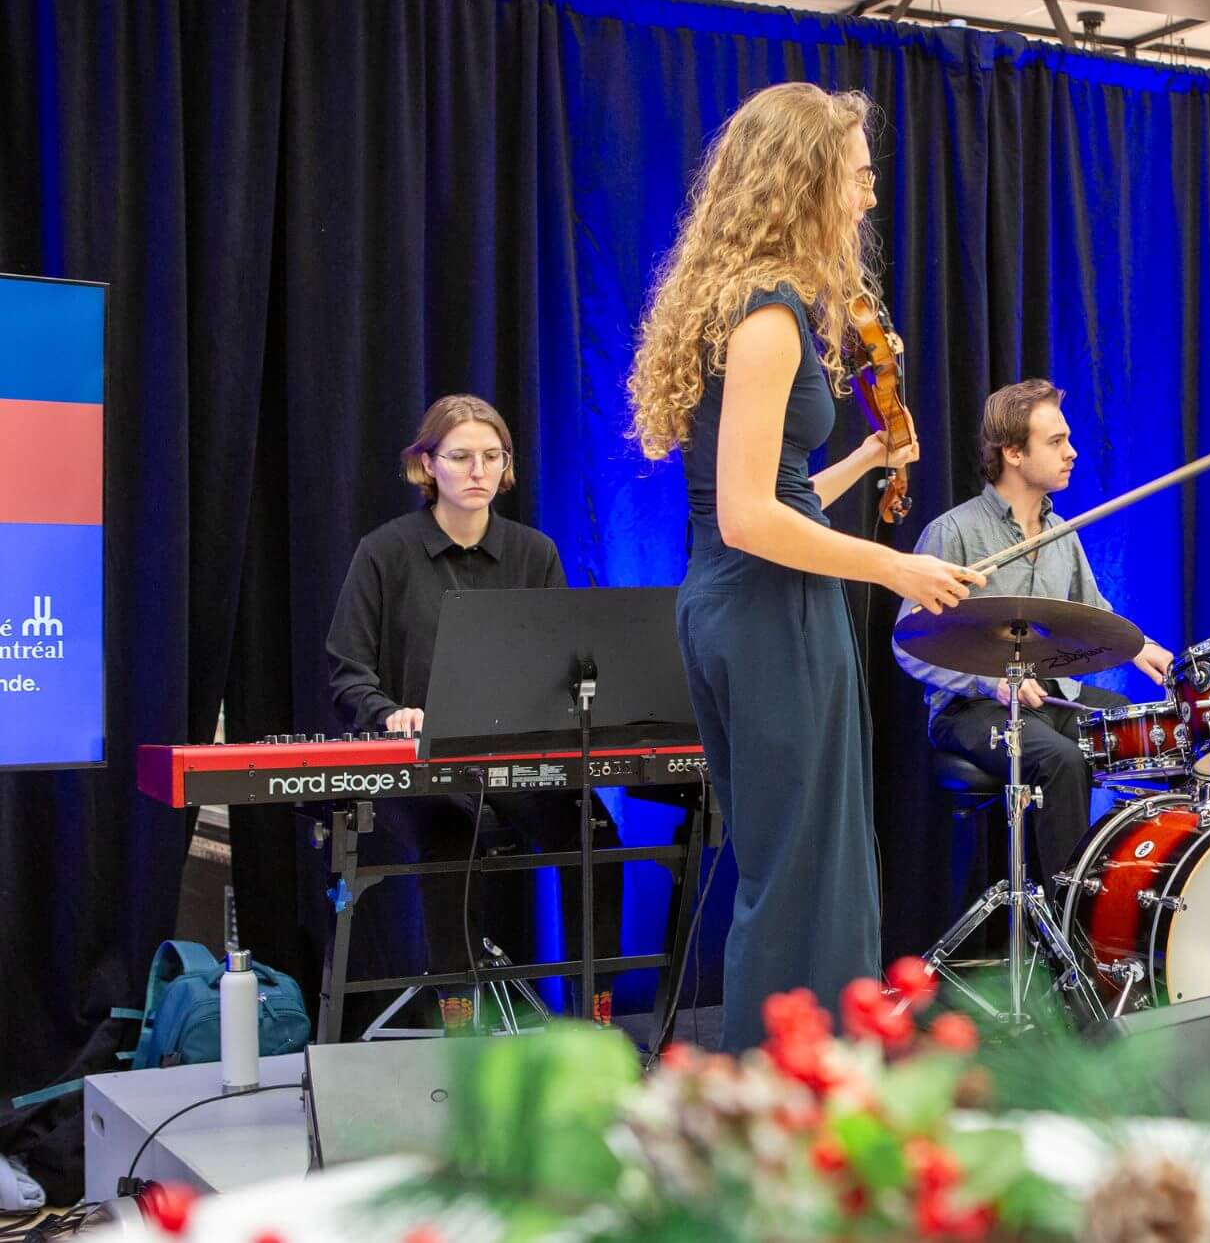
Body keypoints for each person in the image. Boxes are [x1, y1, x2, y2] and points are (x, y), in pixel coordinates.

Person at [626, 82, 982, 1052]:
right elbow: (751, 518)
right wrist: (890, 567)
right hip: (766, 608)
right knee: (799, 883)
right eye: (860, 177)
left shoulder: (738, 305)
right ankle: (782, 1105)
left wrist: (865, 462)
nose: (868, 199)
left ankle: (793, 1097)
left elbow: (764, 495)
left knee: (792, 867)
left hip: (733, 602)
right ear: (810, 180)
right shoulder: (770, 318)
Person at [324, 392, 619, 1031]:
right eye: (460, 457)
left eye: (492, 456)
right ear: (427, 466)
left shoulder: (533, 552)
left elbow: (560, 660)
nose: (478, 470)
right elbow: (349, 672)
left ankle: (595, 1017)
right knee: (449, 835)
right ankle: (462, 1019)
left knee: (592, 829)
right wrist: (389, 713)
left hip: (514, 759)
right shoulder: (384, 553)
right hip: (423, 769)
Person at [893, 379, 1173, 881]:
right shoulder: (953, 532)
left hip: (1049, 696)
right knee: (1063, 760)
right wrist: (988, 681)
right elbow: (909, 645)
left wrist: (1143, 648)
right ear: (1014, 453)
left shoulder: (1061, 532)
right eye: (1056, 442)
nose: (1072, 452)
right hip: (971, 708)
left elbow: (1093, 611)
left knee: (1151, 732)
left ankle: (1136, 899)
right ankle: (1067, 923)